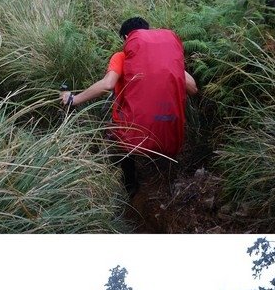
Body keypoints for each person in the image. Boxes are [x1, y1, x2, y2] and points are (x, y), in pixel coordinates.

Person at [60, 17, 198, 197]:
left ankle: (130, 186)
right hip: (167, 124)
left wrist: (74, 99)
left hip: (133, 129)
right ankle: (166, 183)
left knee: (117, 138)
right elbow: (193, 89)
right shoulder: (166, 59)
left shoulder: (121, 56)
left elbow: (107, 85)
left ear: (127, 38)